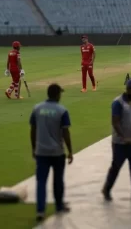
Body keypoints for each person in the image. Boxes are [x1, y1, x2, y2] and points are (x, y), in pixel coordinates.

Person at [30, 83, 73, 223]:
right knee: (58, 180)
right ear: (57, 95)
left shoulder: (37, 108)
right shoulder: (61, 110)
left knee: (41, 181)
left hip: (41, 151)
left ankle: (40, 211)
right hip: (57, 152)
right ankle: (59, 206)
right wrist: (70, 151)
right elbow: (66, 133)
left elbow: (33, 130)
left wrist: (33, 148)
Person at [102, 79, 131, 202]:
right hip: (119, 143)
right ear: (128, 89)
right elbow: (115, 122)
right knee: (116, 166)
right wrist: (123, 137)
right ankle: (107, 189)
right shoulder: (118, 103)